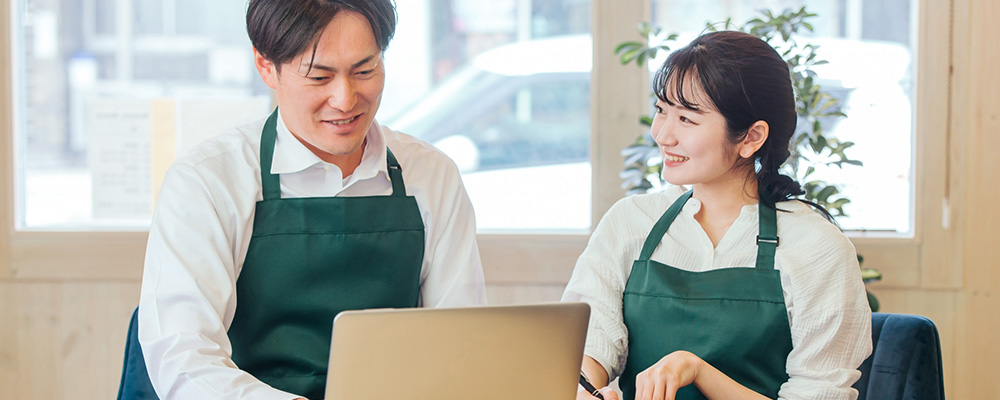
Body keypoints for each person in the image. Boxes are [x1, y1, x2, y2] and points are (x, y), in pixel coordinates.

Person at [136, 1, 487, 399]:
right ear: (266, 66)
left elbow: (461, 346)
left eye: (365, 71)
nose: (345, 99)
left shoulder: (432, 175)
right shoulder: (208, 181)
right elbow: (184, 359)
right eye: (320, 77)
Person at [563, 31, 872, 400]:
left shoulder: (817, 248)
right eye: (662, 111)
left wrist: (698, 371)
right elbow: (588, 345)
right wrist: (585, 390)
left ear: (751, 137)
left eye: (687, 119)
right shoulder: (630, 222)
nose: (662, 134)